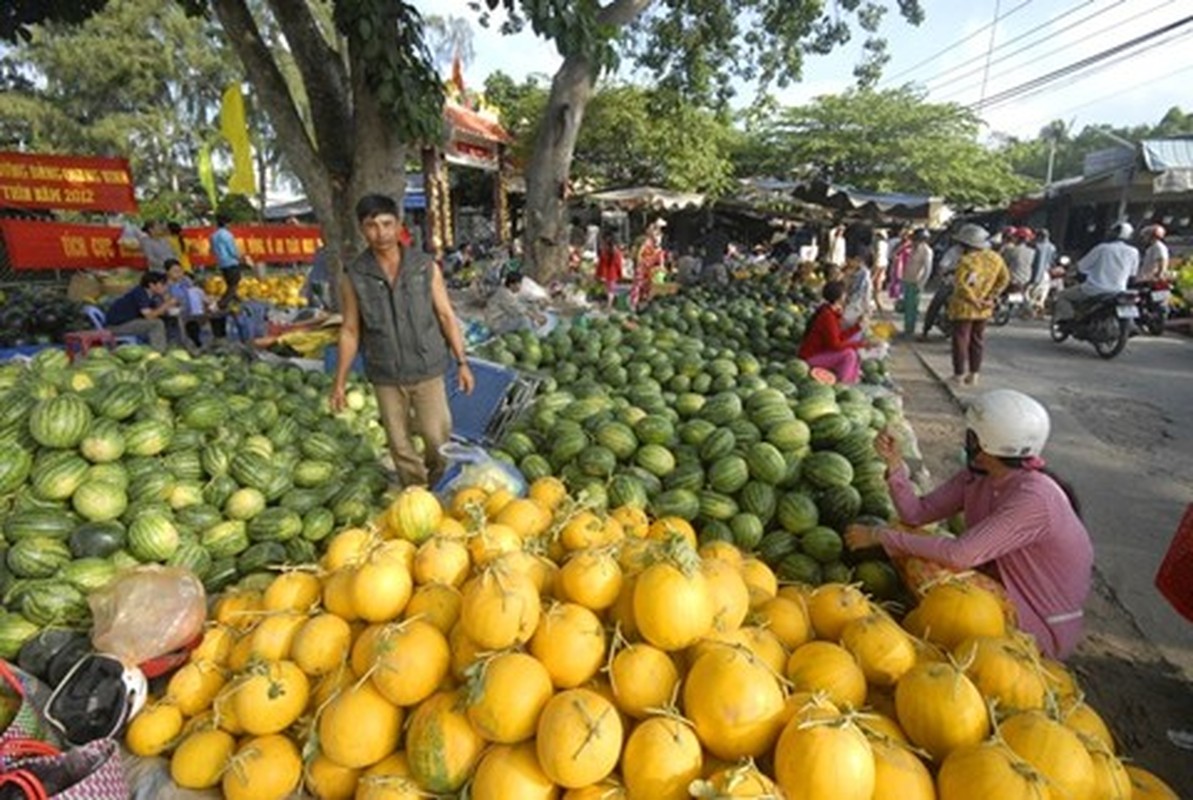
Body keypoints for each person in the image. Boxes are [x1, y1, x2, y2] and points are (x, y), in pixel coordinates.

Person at [844, 389, 1093, 659]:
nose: (965, 439)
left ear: (985, 442)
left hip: (1036, 628)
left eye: (971, 434)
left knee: (924, 566)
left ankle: (953, 645)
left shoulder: (1035, 498)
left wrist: (878, 536)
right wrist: (894, 465)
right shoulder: (979, 477)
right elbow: (915, 514)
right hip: (997, 591)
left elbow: (961, 554)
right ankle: (943, 626)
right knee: (904, 534)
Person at [332, 194, 474, 489]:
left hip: (426, 367)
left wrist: (462, 362)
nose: (380, 233)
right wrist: (340, 382)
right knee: (399, 444)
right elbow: (349, 330)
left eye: (387, 224)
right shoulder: (355, 276)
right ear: (362, 229)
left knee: (437, 436)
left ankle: (439, 486)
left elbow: (446, 315)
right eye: (371, 226)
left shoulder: (424, 267)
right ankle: (415, 492)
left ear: (398, 225)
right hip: (386, 373)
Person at [947, 223, 1009, 386]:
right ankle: (974, 374)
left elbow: (961, 286)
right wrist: (991, 297)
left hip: (964, 308)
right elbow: (1004, 279)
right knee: (977, 340)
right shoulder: (996, 258)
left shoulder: (966, 261)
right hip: (984, 308)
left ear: (966, 244)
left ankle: (959, 375)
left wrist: (974, 300)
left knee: (961, 340)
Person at [1053, 222, 1139, 322]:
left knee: (1063, 295)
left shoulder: (1102, 248)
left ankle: (1068, 321)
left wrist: (1068, 271)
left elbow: (1081, 266)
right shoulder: (1134, 252)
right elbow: (1132, 274)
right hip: (1119, 291)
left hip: (1094, 289)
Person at [797, 280, 864, 384]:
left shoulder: (829, 311)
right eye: (844, 293)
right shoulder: (827, 316)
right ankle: (842, 386)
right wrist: (859, 344)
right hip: (810, 357)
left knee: (852, 348)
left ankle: (846, 376)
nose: (846, 296)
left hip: (820, 351)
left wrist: (857, 327)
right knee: (849, 354)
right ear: (840, 297)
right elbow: (835, 345)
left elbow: (839, 336)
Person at [104, 270, 176, 352]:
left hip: (128, 321)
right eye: (162, 285)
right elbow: (149, 316)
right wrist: (167, 304)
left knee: (163, 320)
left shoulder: (150, 294)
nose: (165, 288)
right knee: (156, 324)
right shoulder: (140, 294)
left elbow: (154, 311)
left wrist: (165, 305)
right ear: (151, 285)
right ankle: (158, 352)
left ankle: (164, 346)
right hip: (117, 327)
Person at [209, 214, 246, 310]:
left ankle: (238, 302)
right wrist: (241, 258)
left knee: (230, 284)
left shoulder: (213, 236)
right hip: (231, 262)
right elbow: (232, 250)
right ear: (226, 224)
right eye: (230, 223)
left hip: (221, 263)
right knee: (233, 285)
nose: (231, 225)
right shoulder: (227, 234)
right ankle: (220, 304)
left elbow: (212, 250)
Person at [902, 229, 934, 338]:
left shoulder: (927, 251)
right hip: (908, 280)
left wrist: (921, 284)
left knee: (912, 308)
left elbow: (927, 269)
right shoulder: (913, 249)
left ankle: (910, 331)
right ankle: (907, 328)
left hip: (916, 282)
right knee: (907, 307)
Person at [630, 222, 665, 311]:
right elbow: (639, 254)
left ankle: (642, 304)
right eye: (653, 231)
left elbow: (659, 255)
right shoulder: (646, 242)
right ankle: (634, 304)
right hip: (643, 267)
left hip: (650, 269)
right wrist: (638, 263)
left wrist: (660, 265)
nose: (656, 235)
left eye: (657, 233)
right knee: (638, 285)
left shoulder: (656, 244)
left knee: (646, 286)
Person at [1028, 228, 1058, 317]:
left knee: (1031, 292)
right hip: (1046, 274)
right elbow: (1053, 261)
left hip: (1035, 272)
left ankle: (1031, 311)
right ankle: (1039, 309)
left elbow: (1033, 262)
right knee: (1043, 292)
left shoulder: (1035, 246)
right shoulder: (1052, 247)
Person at [595, 232, 624, 309]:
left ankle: (606, 304)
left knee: (607, 290)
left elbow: (600, 265)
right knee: (611, 291)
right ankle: (609, 305)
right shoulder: (617, 253)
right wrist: (620, 275)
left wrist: (598, 274)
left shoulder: (604, 253)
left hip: (604, 274)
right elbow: (619, 265)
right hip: (613, 275)